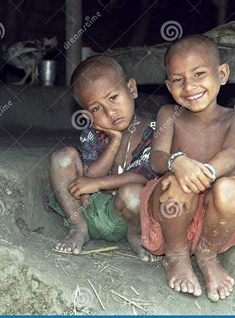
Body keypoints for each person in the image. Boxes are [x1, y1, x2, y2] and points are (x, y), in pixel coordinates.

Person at [140, 35, 235, 302]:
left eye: (199, 74)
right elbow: (156, 157)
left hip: (215, 215)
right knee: (177, 183)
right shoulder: (168, 114)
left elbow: (231, 154)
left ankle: (207, 254)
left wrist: (204, 173)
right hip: (173, 212)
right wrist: (178, 162)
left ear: (222, 74)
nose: (189, 86)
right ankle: (177, 255)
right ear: (169, 87)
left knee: (231, 190)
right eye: (178, 79)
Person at [44, 55, 158, 260]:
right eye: (96, 108)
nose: (110, 112)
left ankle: (136, 236)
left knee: (134, 193)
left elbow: (143, 177)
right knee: (62, 157)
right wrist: (113, 142)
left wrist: (96, 184)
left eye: (113, 97)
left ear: (131, 89)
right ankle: (78, 228)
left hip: (129, 214)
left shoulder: (153, 131)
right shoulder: (93, 133)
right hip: (87, 210)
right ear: (87, 114)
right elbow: (90, 174)